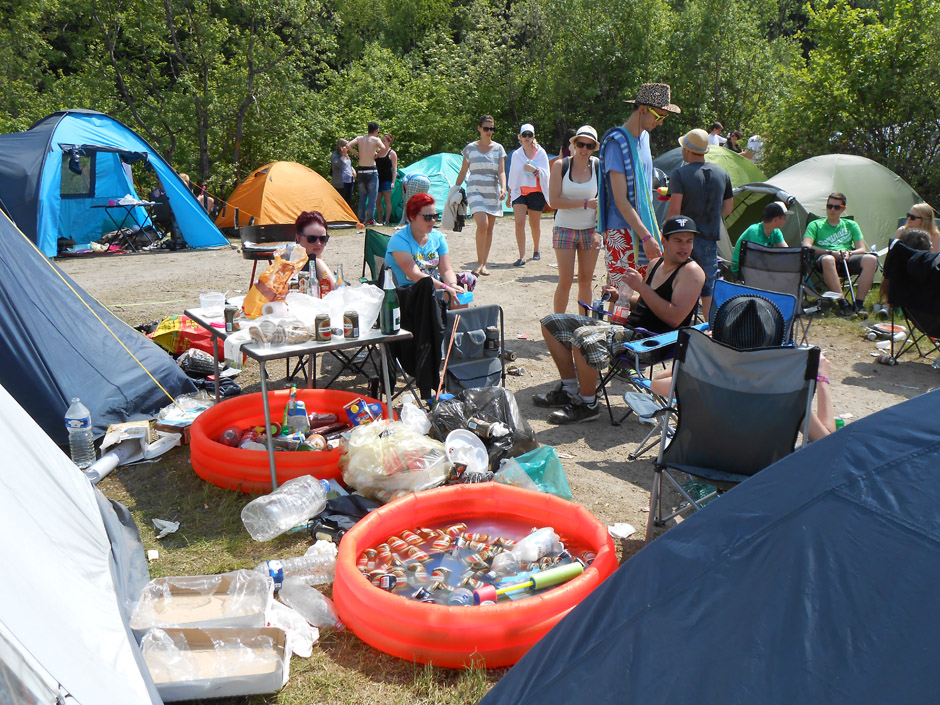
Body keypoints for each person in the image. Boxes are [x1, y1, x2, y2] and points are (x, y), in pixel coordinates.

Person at [534, 216, 704, 424]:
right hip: (629, 329)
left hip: (652, 341)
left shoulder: (692, 272)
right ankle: (569, 389)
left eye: (689, 241)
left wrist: (641, 287)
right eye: (678, 240)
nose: (685, 247)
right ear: (664, 241)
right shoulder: (655, 264)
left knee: (584, 337)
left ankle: (587, 404)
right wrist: (619, 297)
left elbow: (675, 318)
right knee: (551, 322)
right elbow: (645, 302)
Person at [599, 83, 680, 288]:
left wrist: (650, 232)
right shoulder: (617, 144)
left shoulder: (645, 138)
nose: (660, 123)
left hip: (645, 228)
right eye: (659, 116)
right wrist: (646, 237)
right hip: (623, 232)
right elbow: (620, 200)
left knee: (642, 297)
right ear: (643, 109)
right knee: (621, 298)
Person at [666, 128, 733, 317]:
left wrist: (665, 234)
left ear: (686, 150)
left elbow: (674, 211)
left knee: (678, 282)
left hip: (682, 239)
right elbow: (728, 209)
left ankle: (680, 322)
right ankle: (711, 328)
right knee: (708, 286)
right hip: (709, 240)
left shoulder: (680, 174)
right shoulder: (722, 173)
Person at [548, 125, 600, 314]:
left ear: (594, 148)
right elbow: (554, 201)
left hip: (590, 230)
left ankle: (584, 324)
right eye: (581, 144)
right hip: (564, 228)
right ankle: (557, 325)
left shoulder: (597, 166)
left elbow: (604, 201)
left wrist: (599, 231)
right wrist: (585, 203)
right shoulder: (560, 165)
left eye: (589, 145)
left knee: (586, 281)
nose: (584, 149)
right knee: (565, 280)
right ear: (574, 144)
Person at [801, 192, 877, 317]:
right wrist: (830, 252)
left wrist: (849, 253)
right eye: (829, 206)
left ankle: (859, 304)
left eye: (836, 207)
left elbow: (861, 249)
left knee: (871, 259)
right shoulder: (815, 225)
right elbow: (806, 245)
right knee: (828, 259)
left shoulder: (851, 225)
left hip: (847, 258)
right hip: (824, 259)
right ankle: (843, 304)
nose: (832, 210)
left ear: (843, 209)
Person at [385, 193, 467, 306]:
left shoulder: (438, 237)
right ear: (412, 217)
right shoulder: (399, 240)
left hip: (432, 289)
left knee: (460, 297)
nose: (433, 221)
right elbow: (415, 274)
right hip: (407, 293)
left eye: (435, 216)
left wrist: (452, 285)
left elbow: (446, 270)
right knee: (447, 295)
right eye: (427, 217)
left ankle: (458, 323)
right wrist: (444, 288)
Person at [455, 115, 507, 276]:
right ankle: (479, 262)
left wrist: (504, 187)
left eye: (492, 129)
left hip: (492, 189)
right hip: (475, 189)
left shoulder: (499, 148)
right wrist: (455, 188)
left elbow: (501, 171)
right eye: (486, 128)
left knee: (489, 228)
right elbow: (464, 170)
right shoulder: (470, 148)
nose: (489, 131)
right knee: (482, 225)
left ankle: (484, 263)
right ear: (479, 128)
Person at [506, 123, 550, 266]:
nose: (527, 137)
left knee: (534, 224)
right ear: (520, 137)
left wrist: (534, 170)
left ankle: (536, 249)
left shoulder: (541, 153)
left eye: (529, 135)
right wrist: (509, 194)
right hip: (519, 192)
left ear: (533, 137)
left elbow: (546, 175)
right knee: (519, 222)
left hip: (536, 192)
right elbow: (512, 175)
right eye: (524, 135)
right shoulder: (517, 154)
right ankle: (522, 256)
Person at [730, 200, 789, 275]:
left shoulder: (776, 232)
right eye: (784, 217)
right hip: (740, 271)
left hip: (757, 269)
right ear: (776, 219)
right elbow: (759, 260)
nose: (786, 220)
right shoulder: (754, 231)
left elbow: (786, 251)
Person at [346, 122, 385, 225]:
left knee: (362, 197)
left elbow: (348, 145)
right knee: (372, 198)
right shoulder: (376, 140)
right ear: (376, 130)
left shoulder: (360, 138)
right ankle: (370, 219)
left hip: (361, 170)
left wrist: (356, 153)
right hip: (371, 170)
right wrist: (376, 155)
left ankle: (361, 219)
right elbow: (384, 147)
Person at [294, 210, 336, 287]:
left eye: (323, 239)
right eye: (311, 239)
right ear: (298, 237)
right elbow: (337, 289)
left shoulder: (290, 259)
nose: (318, 243)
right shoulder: (316, 261)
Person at [375, 134, 398, 225]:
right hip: (378, 179)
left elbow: (394, 168)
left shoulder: (392, 153)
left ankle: (386, 220)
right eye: (382, 140)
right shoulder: (378, 152)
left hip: (387, 179)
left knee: (387, 200)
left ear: (389, 142)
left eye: (384, 141)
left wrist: (393, 181)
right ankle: (380, 220)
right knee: (378, 201)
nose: (382, 142)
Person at [330, 139, 355, 208]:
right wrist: (343, 155)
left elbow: (348, 165)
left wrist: (353, 170)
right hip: (340, 183)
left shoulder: (346, 155)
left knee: (348, 202)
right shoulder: (335, 155)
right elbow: (338, 165)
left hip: (349, 181)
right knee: (341, 202)